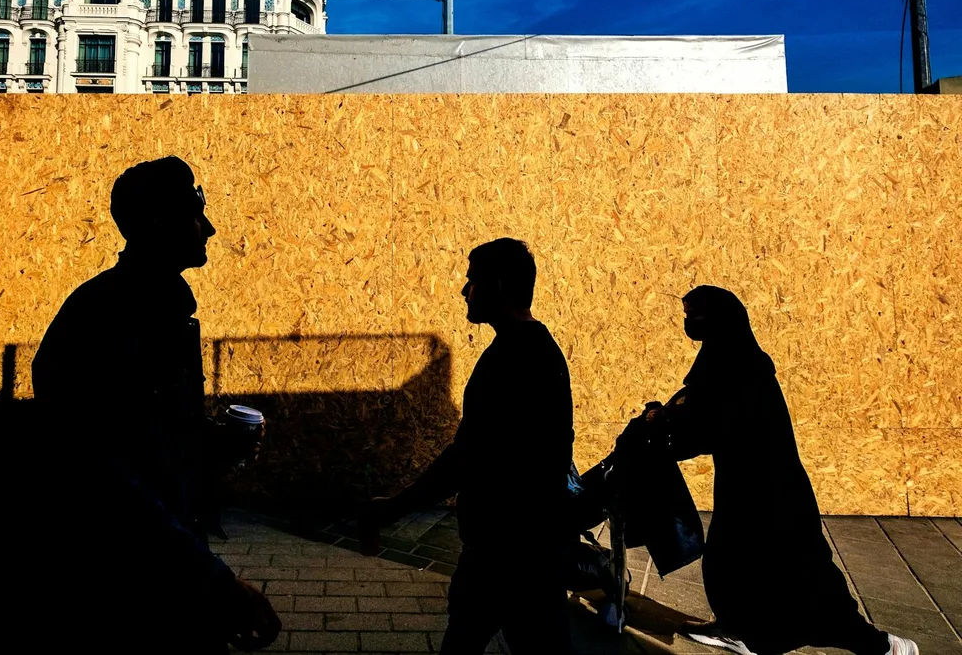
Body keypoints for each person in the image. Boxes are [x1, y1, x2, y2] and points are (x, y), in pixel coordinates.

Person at [28, 157, 280, 652]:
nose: (208, 228)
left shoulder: (156, 310)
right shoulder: (111, 318)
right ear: (157, 222)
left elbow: (148, 431)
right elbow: (106, 476)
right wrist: (215, 582)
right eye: (195, 212)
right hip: (123, 586)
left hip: (160, 565)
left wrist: (209, 439)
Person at [636, 285, 918, 655]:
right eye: (686, 315)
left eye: (694, 315)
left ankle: (883, 646)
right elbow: (697, 405)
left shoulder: (741, 367)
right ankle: (740, 628)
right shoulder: (725, 357)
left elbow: (712, 423)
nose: (689, 323)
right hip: (745, 486)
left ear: (718, 318)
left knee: (804, 577)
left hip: (772, 492)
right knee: (732, 562)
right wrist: (665, 416)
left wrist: (666, 427)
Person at [360, 238, 575, 655]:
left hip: (509, 554)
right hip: (523, 549)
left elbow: (467, 457)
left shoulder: (513, 358)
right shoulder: (532, 350)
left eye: (471, 280)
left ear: (495, 286)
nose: (464, 290)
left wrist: (393, 507)